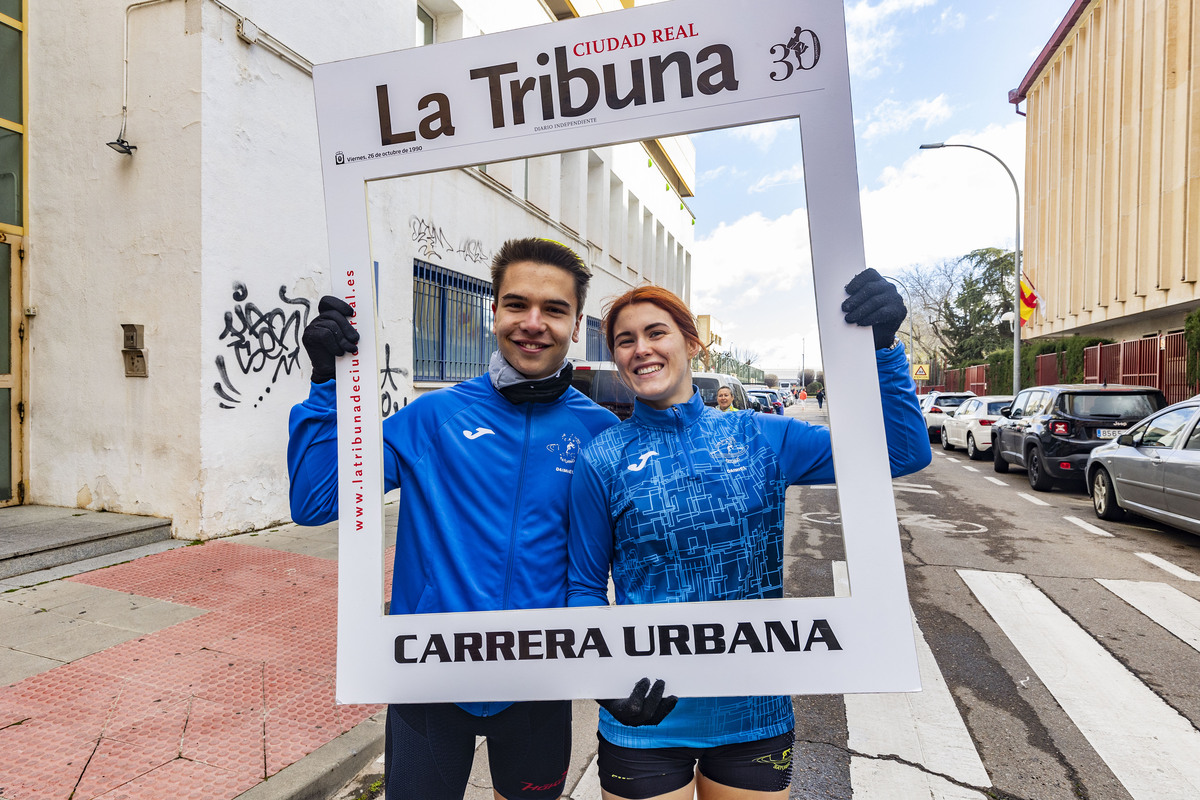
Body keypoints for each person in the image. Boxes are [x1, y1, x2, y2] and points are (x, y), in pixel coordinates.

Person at [566, 268, 931, 800]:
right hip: (643, 716)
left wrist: (882, 350)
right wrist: (603, 679)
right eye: (625, 340)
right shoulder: (603, 457)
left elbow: (902, 453)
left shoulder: (760, 436)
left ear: (693, 344)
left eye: (656, 332)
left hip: (753, 714)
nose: (641, 348)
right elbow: (583, 588)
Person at [289, 238, 630, 800]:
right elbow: (317, 500)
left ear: (576, 324)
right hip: (431, 678)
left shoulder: (599, 433)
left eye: (554, 309)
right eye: (517, 304)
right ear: (492, 311)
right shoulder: (435, 417)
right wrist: (327, 383)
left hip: (537, 680)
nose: (533, 323)